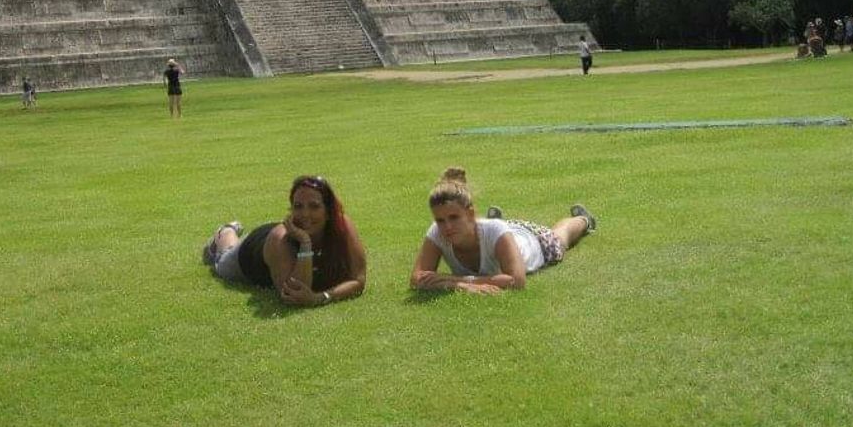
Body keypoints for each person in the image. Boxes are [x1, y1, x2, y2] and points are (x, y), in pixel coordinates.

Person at [410, 168, 595, 294]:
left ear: (471, 213)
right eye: (440, 220)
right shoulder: (437, 232)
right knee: (496, 229)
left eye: (454, 218)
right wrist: (461, 286)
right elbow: (417, 279)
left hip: (534, 241)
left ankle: (584, 220)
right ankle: (495, 218)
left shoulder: (495, 230)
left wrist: (456, 282)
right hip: (502, 232)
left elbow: (516, 281)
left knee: (561, 237)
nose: (447, 227)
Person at [202, 175, 367, 306]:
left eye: (314, 206)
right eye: (298, 206)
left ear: (328, 211)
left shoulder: (342, 225)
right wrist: (305, 243)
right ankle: (225, 232)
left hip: (273, 236)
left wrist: (321, 297)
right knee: (223, 258)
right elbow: (294, 294)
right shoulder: (280, 239)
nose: (305, 214)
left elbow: (358, 280)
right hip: (249, 253)